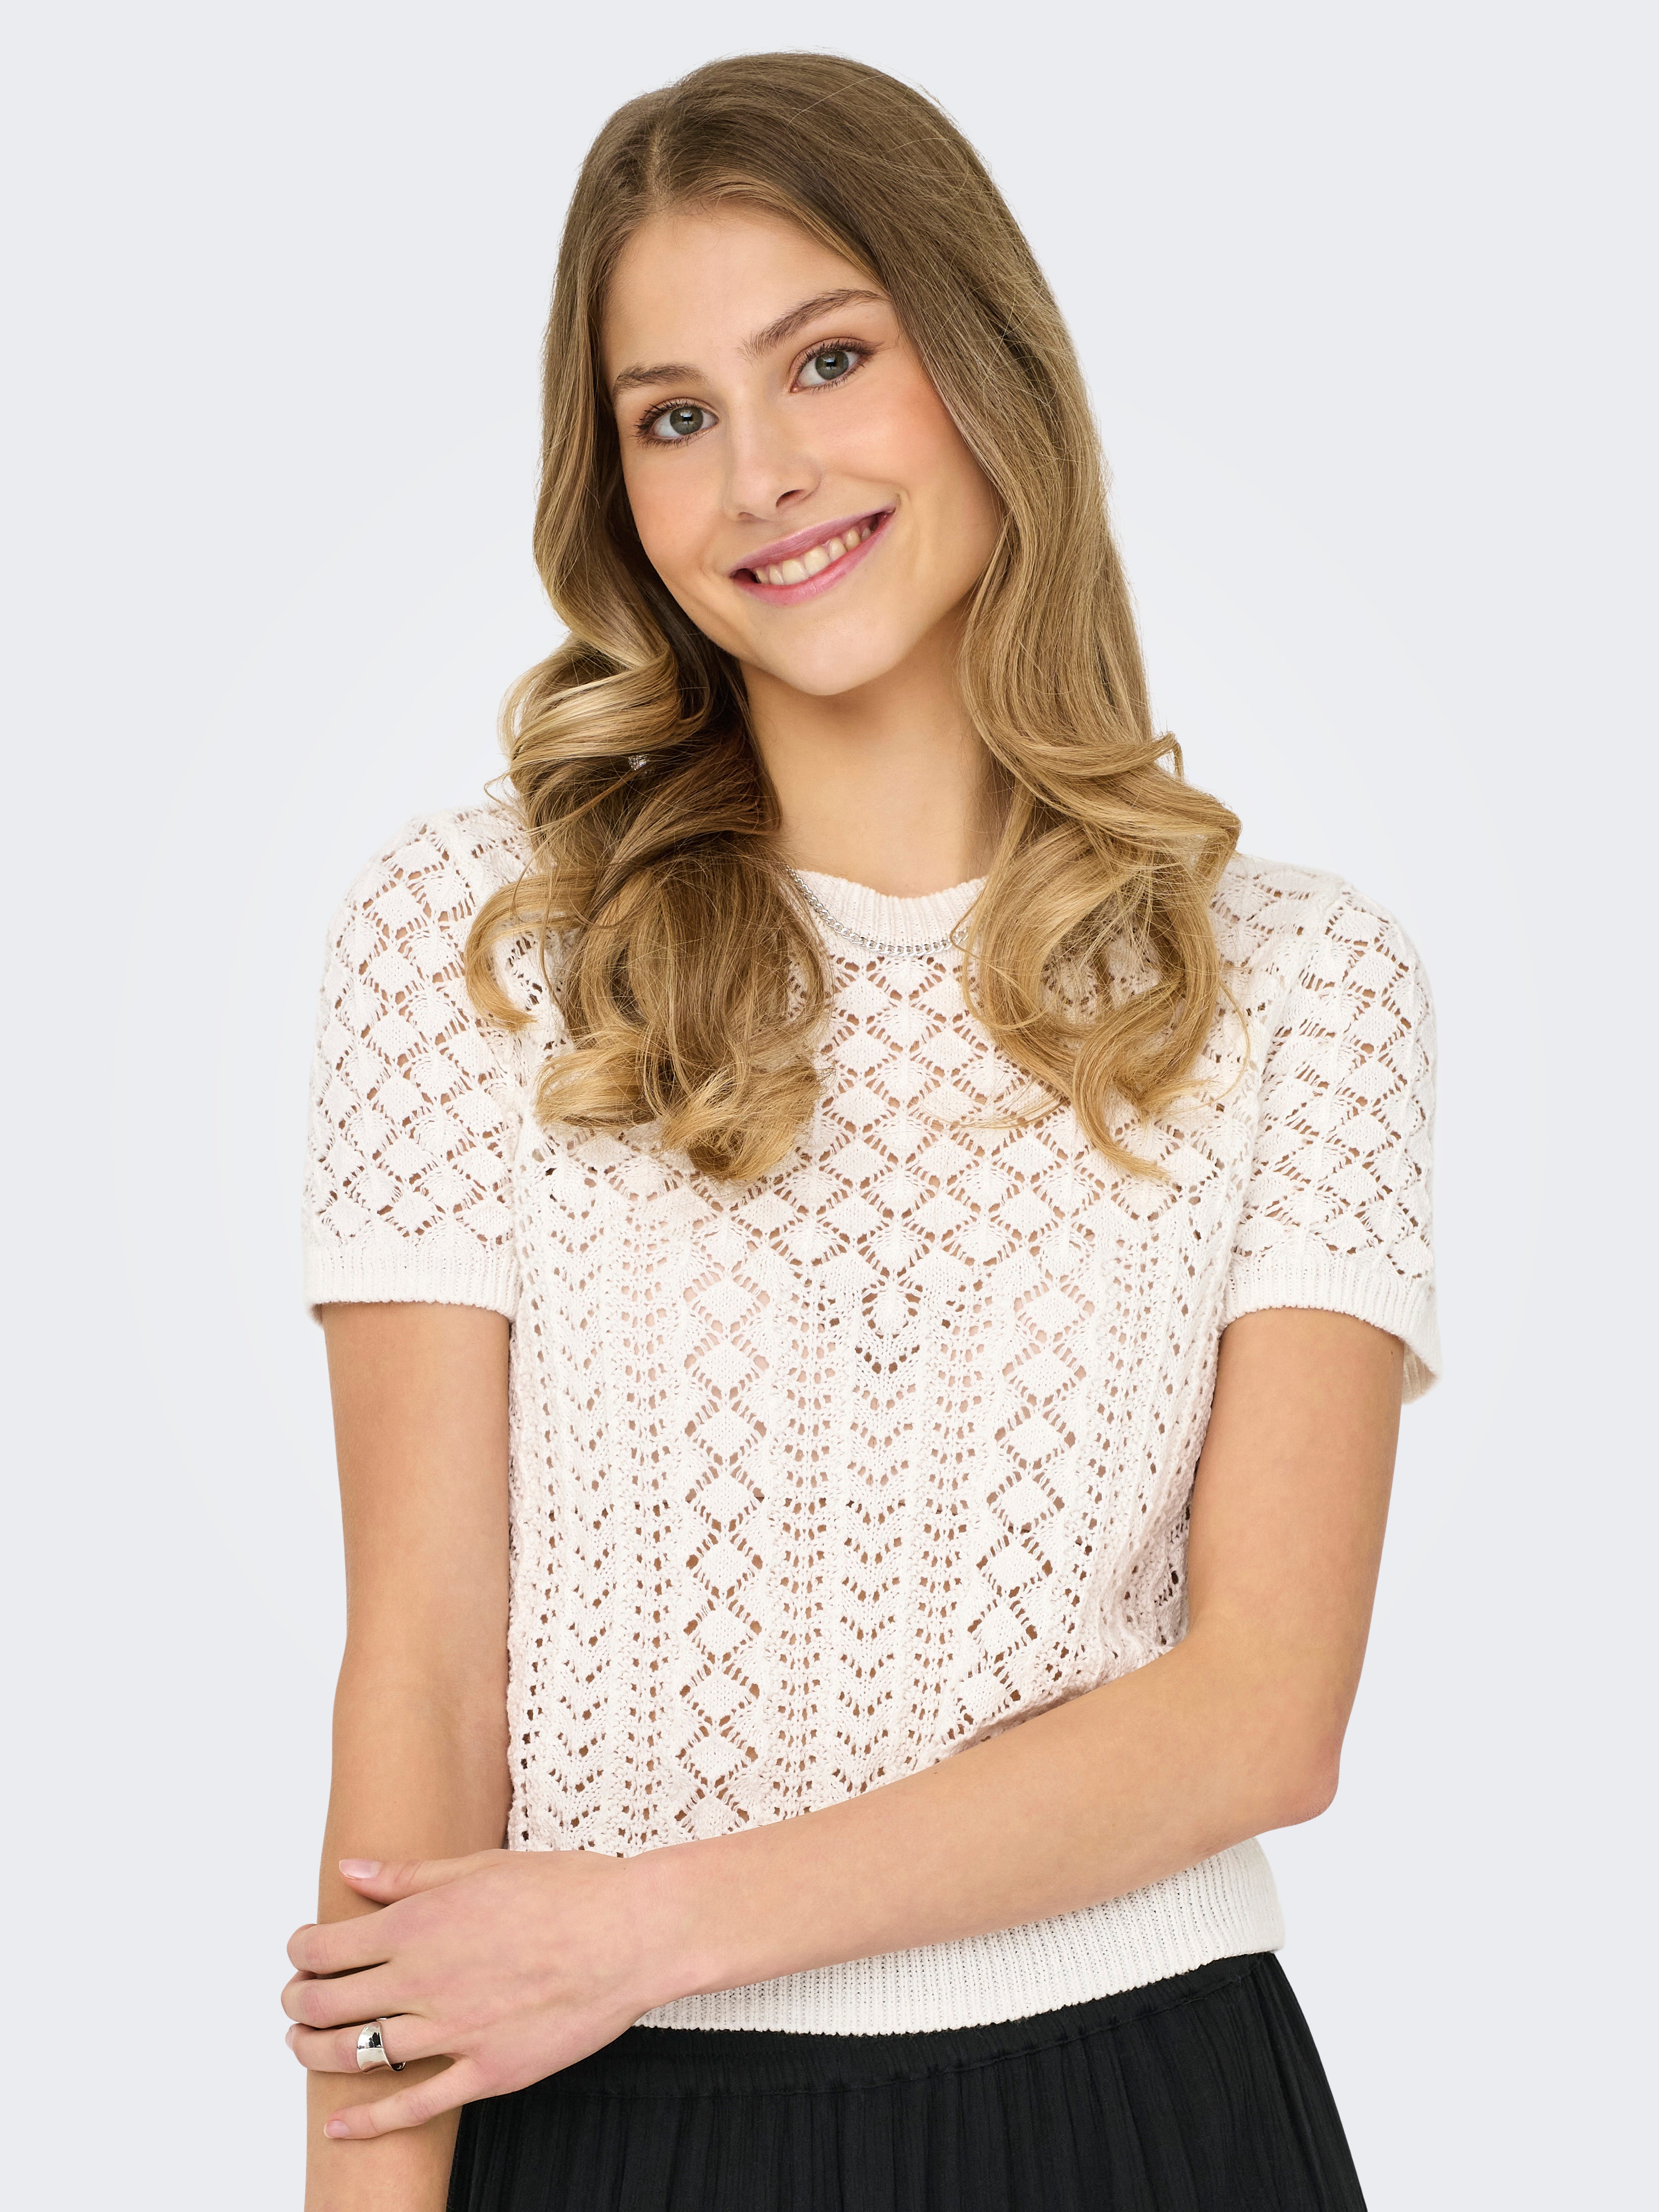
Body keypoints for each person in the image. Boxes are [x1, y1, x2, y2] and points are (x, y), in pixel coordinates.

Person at [284, 50, 1437, 2212]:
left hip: (1139, 2120)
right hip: (602, 2125)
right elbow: (420, 1678)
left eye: (828, 358)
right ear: (619, 492)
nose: (765, 476)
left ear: (988, 368)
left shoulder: (1299, 985)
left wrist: (638, 1925)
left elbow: (1265, 1710)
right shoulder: (482, 950)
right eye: (673, 415)